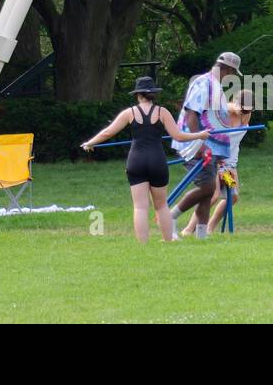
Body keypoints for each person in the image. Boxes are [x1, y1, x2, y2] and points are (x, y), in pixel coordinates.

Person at [81, 76, 210, 244]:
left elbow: (108, 132)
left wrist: (90, 143)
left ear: (137, 95)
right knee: (161, 205)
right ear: (154, 94)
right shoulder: (162, 112)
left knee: (140, 206)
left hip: (136, 161)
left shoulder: (130, 113)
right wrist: (199, 134)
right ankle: (167, 240)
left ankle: (143, 244)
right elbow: (178, 136)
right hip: (157, 160)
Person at [169, 51, 241, 240]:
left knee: (216, 192)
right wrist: (199, 145)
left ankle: (202, 235)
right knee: (209, 189)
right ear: (228, 69)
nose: (232, 77)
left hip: (219, 156)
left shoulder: (216, 87)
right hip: (198, 148)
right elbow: (191, 114)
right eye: (233, 73)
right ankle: (170, 217)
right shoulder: (204, 83)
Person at [181, 88, 253, 237]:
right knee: (212, 196)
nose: (244, 113)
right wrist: (230, 106)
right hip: (214, 160)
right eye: (242, 110)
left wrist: (242, 110)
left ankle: (210, 227)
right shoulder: (223, 113)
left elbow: (243, 115)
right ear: (235, 102)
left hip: (229, 165)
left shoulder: (246, 114)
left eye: (248, 110)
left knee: (232, 197)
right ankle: (188, 229)